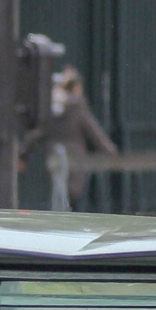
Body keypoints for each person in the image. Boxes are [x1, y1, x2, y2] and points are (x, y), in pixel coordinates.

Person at [36, 67, 116, 211]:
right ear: (77, 88)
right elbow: (95, 133)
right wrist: (110, 151)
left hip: (54, 158)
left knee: (56, 195)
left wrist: (23, 153)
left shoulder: (50, 108)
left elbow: (39, 131)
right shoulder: (78, 109)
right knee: (74, 201)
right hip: (75, 160)